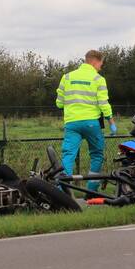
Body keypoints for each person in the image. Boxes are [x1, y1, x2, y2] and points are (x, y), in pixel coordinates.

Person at [56, 50, 114, 191]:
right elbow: (103, 103)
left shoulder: (67, 77)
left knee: (68, 155)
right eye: (101, 63)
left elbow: (59, 103)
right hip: (91, 123)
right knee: (96, 155)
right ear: (95, 61)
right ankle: (91, 190)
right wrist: (111, 122)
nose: (101, 66)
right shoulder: (98, 79)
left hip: (72, 123)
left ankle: (62, 191)